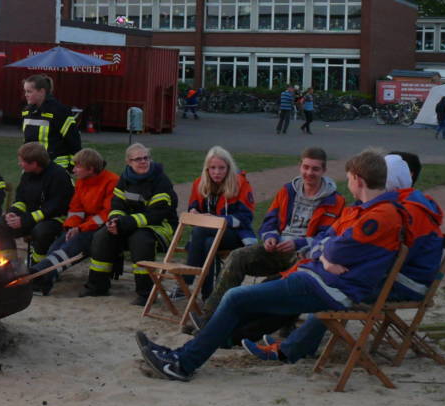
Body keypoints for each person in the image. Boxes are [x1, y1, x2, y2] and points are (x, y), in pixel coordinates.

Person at [138, 149, 405, 381]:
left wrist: (325, 254)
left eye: (348, 179)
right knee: (237, 297)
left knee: (236, 297)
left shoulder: (380, 215)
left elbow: (333, 246)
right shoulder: (363, 209)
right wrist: (325, 255)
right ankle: (181, 357)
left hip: (329, 288)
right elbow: (326, 240)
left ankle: (182, 364)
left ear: (357, 179)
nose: (347, 183)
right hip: (318, 277)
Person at [191, 147, 345, 328]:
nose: (309, 173)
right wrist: (270, 237)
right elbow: (268, 221)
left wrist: (297, 243)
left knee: (268, 287)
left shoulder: (335, 201)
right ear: (300, 166)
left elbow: (327, 238)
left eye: (315, 169)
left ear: (324, 170)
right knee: (237, 256)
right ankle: (209, 318)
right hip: (277, 248)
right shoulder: (288, 191)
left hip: (305, 256)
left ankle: (275, 325)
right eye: (306, 167)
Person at [81, 143, 177, 305]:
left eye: (146, 158)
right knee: (102, 235)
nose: (143, 162)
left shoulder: (161, 181)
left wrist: (124, 223)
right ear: (128, 162)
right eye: (137, 159)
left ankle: (146, 293)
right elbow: (117, 205)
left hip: (160, 227)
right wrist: (114, 221)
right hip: (129, 225)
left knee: (140, 239)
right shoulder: (124, 179)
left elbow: (155, 215)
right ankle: (97, 286)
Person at [28, 148, 119, 296]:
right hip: (83, 227)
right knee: (55, 247)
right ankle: (43, 280)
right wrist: (71, 227)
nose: (74, 170)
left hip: (102, 229)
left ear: (90, 169)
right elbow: (76, 209)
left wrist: (81, 228)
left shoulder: (112, 181)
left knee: (70, 248)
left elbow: (106, 214)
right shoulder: (81, 182)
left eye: (77, 166)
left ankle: (38, 274)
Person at [0, 142, 73, 277]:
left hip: (55, 219)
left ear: (34, 163)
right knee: (0, 224)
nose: (19, 164)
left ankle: (39, 270)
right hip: (28, 218)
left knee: (41, 231)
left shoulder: (59, 176)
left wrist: (25, 220)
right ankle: (9, 267)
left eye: (22, 161)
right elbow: (21, 199)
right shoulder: (27, 174)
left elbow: (54, 207)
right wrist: (13, 214)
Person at [181, 146, 255, 299]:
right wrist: (194, 213)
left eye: (222, 168)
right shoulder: (199, 183)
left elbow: (246, 218)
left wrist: (218, 220)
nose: (217, 172)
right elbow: (192, 207)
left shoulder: (240, 184)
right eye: (212, 168)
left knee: (200, 231)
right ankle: (208, 295)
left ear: (229, 168)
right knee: (208, 243)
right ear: (206, 169)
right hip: (208, 237)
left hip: (235, 234)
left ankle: (185, 280)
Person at [385, 152, 445, 303]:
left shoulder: (411, 211)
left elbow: (391, 257)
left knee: (332, 291)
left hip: (406, 285)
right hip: (396, 277)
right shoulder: (401, 203)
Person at [20, 74, 82, 170]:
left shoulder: (60, 111)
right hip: (33, 166)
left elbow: (74, 141)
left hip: (56, 166)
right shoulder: (27, 112)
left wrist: (73, 164)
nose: (26, 94)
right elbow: (27, 141)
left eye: (29, 91)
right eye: (25, 91)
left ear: (41, 92)